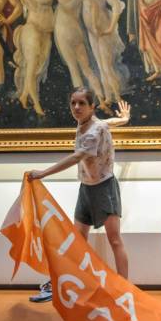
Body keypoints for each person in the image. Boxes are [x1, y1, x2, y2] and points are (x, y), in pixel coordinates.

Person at [27, 88, 131, 280]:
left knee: (115, 240)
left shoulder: (94, 131)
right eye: (73, 103)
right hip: (86, 188)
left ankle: (125, 286)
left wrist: (43, 173)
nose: (76, 107)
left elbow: (77, 157)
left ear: (92, 106)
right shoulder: (89, 123)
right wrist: (124, 119)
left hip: (104, 187)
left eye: (82, 103)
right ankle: (79, 281)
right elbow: (108, 122)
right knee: (78, 240)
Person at [14, 0, 55, 116]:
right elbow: (43, 0)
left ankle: (24, 95)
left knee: (37, 69)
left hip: (46, 32)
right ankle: (37, 106)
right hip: (32, 30)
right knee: (31, 69)